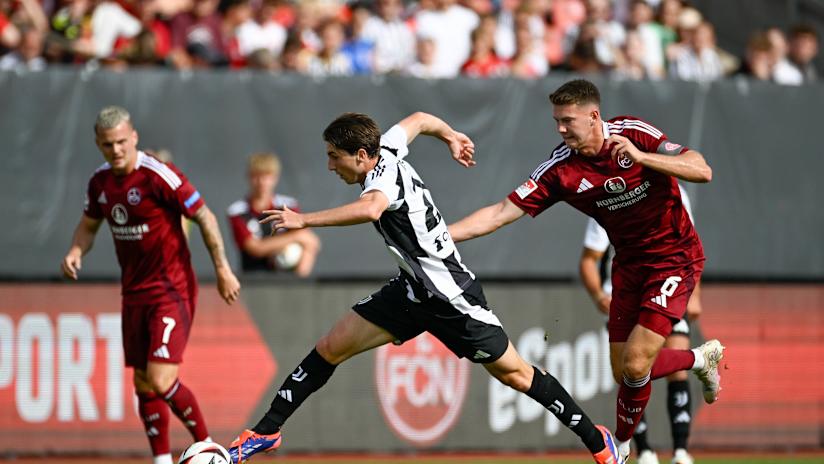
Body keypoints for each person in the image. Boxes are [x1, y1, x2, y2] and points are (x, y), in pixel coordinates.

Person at [226, 111, 624, 464]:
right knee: (330, 347)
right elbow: (418, 119)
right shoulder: (387, 147)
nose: (330, 165)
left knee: (517, 376)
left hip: (452, 297)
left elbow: (371, 208)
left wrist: (304, 220)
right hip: (411, 292)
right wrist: (449, 135)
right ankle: (265, 431)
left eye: (334, 156)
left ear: (361, 156)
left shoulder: (381, 181)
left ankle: (597, 440)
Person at [448, 79, 724, 463]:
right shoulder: (561, 168)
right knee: (623, 372)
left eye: (568, 121)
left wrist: (643, 158)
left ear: (594, 116)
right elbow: (499, 213)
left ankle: (621, 448)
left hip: (674, 258)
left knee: (636, 363)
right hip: (628, 265)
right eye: (556, 121)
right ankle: (698, 359)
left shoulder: (633, 134)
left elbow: (701, 169)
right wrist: (437, 235)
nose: (561, 129)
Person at [61, 106, 241, 464]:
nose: (116, 150)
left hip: (171, 290)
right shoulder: (99, 183)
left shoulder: (158, 175)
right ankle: (161, 460)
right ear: (98, 144)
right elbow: (89, 224)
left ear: (134, 137)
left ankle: (209, 450)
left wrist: (222, 268)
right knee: (143, 383)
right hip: (133, 294)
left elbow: (204, 216)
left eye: (121, 142)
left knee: (161, 379)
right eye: (108, 144)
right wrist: (76, 250)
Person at [580, 183, 703, 464]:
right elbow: (589, 259)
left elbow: (690, 244)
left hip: (667, 283)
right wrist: (599, 294)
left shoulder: (673, 190)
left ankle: (681, 452)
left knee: (671, 366)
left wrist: (695, 294)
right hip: (626, 293)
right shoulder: (605, 199)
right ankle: (644, 450)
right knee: (629, 372)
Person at [227, 152, 321, 277]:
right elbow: (255, 248)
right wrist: (296, 237)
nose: (261, 182)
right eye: (256, 176)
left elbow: (311, 242)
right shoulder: (238, 211)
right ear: (248, 177)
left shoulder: (288, 206)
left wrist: (299, 282)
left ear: (275, 178)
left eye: (266, 176)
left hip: (287, 279)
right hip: (253, 279)